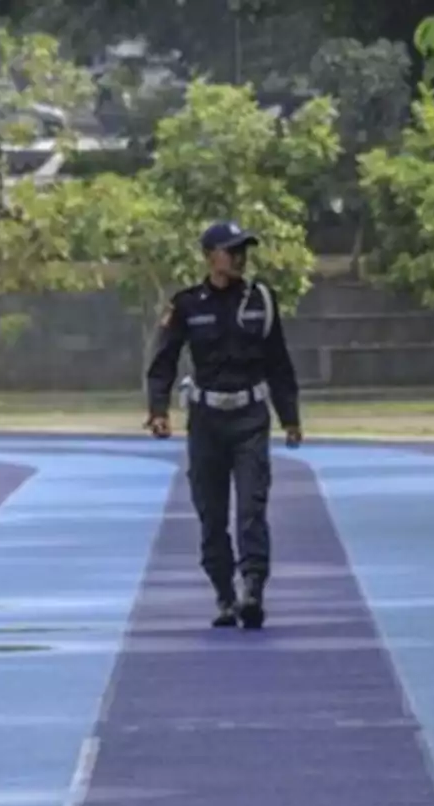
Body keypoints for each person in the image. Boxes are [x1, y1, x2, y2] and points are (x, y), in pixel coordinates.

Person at [144, 221, 303, 630]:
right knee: (211, 513)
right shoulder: (186, 305)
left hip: (250, 417)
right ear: (211, 256)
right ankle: (224, 595)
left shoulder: (261, 300)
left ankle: (253, 590)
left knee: (252, 507)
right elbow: (164, 361)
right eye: (232, 250)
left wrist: (291, 418)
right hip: (207, 421)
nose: (240, 258)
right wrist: (158, 410)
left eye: (243, 250)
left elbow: (279, 362)